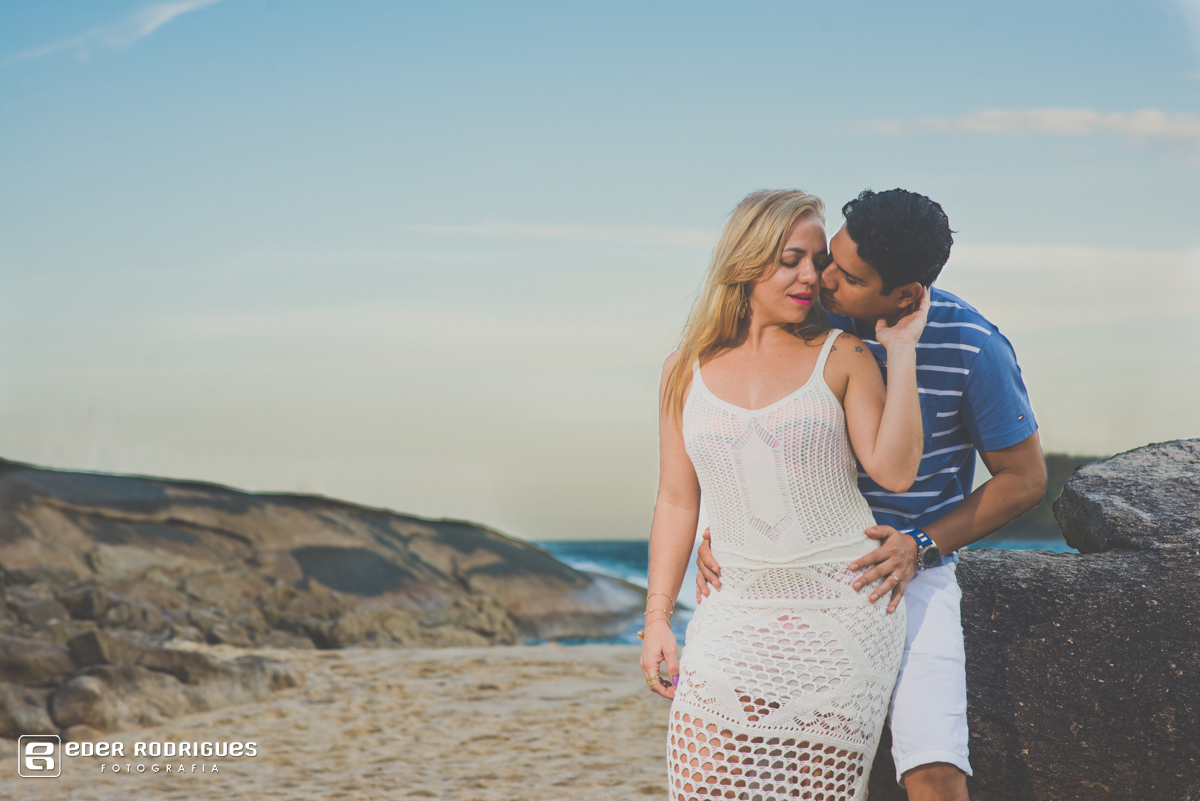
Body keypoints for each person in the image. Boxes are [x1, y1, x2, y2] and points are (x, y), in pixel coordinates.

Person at [693, 188, 1048, 801]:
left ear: (906, 296)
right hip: (797, 569)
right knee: (767, 761)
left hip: (905, 572)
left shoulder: (973, 345)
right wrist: (723, 529)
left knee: (933, 765)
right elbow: (739, 429)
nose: (822, 280)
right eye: (830, 258)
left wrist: (922, 545)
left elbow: (1025, 479)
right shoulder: (805, 313)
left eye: (850, 278)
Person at [640, 188, 932, 801]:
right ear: (745, 262)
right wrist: (657, 618)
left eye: (818, 261)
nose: (811, 277)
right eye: (790, 260)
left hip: (841, 611)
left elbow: (896, 470)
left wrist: (901, 352)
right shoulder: (683, 369)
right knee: (702, 786)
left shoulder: (843, 355)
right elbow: (676, 499)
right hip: (733, 613)